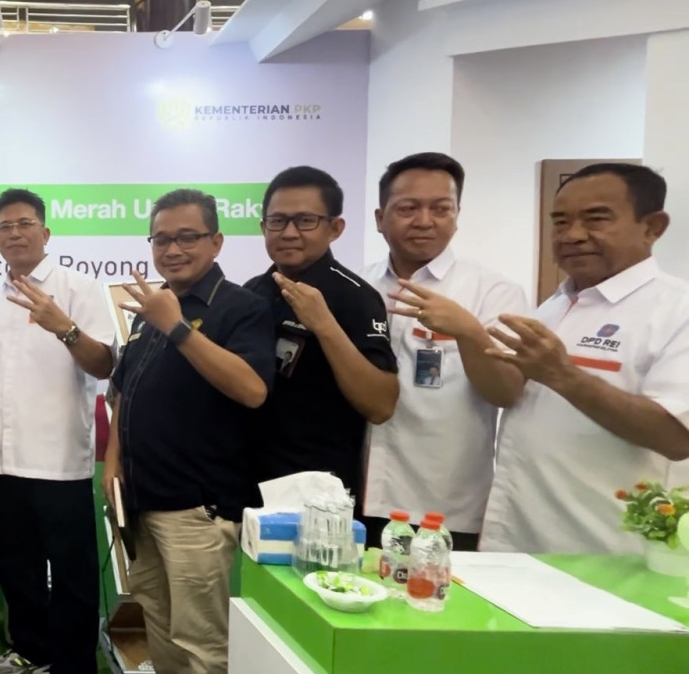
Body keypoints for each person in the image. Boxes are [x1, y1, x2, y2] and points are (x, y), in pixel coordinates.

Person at [106, 190, 275, 674]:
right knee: (158, 612)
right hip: (144, 496)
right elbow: (123, 391)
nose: (172, 249)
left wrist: (176, 327)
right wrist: (113, 462)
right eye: (162, 238)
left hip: (199, 503)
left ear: (217, 241)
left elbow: (252, 389)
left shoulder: (241, 307)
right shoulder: (154, 307)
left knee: (205, 635)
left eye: (187, 237)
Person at [485, 163, 689, 553]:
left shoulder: (677, 311)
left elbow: (677, 437)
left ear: (653, 227)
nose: (573, 235)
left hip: (612, 554)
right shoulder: (555, 305)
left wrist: (563, 375)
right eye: (560, 222)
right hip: (518, 541)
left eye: (596, 219)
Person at [0, 188, 115, 674]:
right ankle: (31, 649)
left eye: (25, 223)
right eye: (5, 226)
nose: (15, 233)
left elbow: (105, 365)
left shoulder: (79, 288)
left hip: (61, 462)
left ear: (46, 232)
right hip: (4, 462)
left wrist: (64, 326)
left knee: (74, 579)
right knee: (16, 566)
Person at [362, 153, 529, 550]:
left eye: (440, 209)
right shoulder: (359, 286)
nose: (425, 221)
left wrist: (468, 331)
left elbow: (507, 392)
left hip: (442, 507)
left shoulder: (494, 292)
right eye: (408, 208)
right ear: (380, 218)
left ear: (457, 216)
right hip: (359, 496)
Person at [244, 166, 398, 536]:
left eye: (305, 220)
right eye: (278, 221)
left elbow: (380, 405)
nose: (289, 232)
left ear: (335, 228)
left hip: (318, 496)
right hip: (246, 481)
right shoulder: (251, 293)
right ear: (263, 227)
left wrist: (324, 325)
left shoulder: (355, 297)